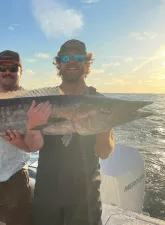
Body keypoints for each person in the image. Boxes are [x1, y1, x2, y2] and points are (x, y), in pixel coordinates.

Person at [31, 39, 115, 225]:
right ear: (59, 63)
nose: (72, 61)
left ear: (86, 63)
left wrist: (103, 124)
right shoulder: (43, 101)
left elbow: (104, 152)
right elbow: (31, 144)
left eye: (78, 57)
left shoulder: (101, 103)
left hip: (85, 198)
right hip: (47, 194)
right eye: (66, 57)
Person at [0, 50, 51, 225]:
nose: (7, 72)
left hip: (14, 174)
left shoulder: (34, 102)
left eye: (13, 68)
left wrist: (20, 142)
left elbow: (34, 145)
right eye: (2, 67)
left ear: (21, 71)